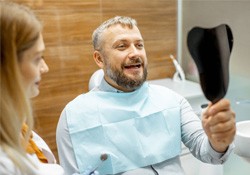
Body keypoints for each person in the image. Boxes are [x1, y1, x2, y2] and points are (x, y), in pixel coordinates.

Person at [56, 16, 236, 175]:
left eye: (139, 45)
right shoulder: (74, 117)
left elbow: (207, 151)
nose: (135, 53)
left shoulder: (172, 100)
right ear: (99, 59)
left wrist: (218, 141)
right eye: (122, 46)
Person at [0, 2, 64, 175]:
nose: (45, 68)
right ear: (6, 67)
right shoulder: (5, 164)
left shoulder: (16, 127)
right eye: (37, 58)